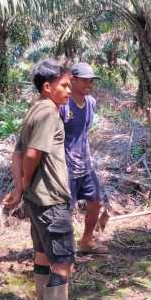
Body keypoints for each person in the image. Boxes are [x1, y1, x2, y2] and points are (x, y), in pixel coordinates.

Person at [2, 59, 89, 300]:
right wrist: (25, 182)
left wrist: (19, 190)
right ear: (48, 87)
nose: (69, 89)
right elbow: (30, 155)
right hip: (51, 200)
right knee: (63, 261)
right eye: (65, 85)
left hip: (36, 201)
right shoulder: (49, 112)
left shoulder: (33, 111)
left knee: (42, 254)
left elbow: (17, 153)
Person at [60, 62, 107, 254]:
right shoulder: (64, 104)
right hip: (65, 165)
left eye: (91, 81)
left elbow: (84, 133)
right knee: (65, 210)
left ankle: (86, 240)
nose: (89, 84)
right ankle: (64, 250)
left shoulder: (91, 103)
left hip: (86, 164)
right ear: (73, 79)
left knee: (96, 201)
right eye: (85, 80)